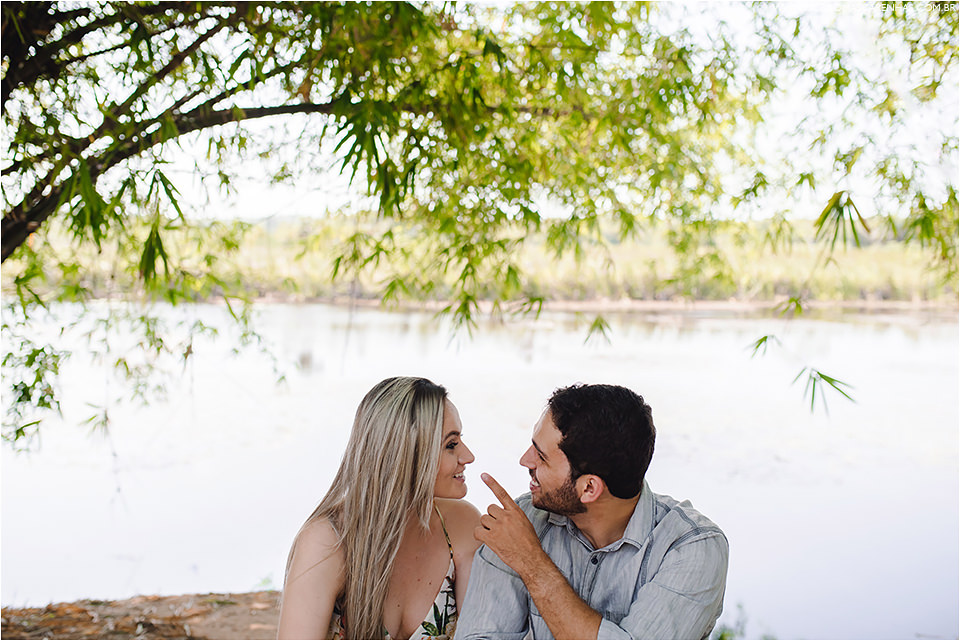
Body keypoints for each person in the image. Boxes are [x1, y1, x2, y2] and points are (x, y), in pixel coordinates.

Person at [454, 383, 729, 640]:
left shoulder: (692, 548)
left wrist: (531, 563)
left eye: (542, 457)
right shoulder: (523, 520)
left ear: (589, 488)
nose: (525, 460)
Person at [278, 376, 481, 640]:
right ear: (405, 453)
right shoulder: (327, 542)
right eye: (451, 445)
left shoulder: (460, 526)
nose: (468, 457)